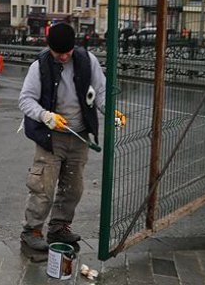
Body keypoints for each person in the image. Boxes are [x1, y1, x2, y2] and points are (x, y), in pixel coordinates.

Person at [17, 23, 125, 250]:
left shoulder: (87, 61)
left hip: (79, 135)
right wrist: (46, 116)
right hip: (50, 136)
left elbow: (101, 91)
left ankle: (59, 228)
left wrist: (110, 110)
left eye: (68, 52)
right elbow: (25, 100)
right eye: (59, 53)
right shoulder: (40, 67)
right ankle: (32, 231)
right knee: (43, 186)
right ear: (50, 48)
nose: (64, 57)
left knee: (73, 187)